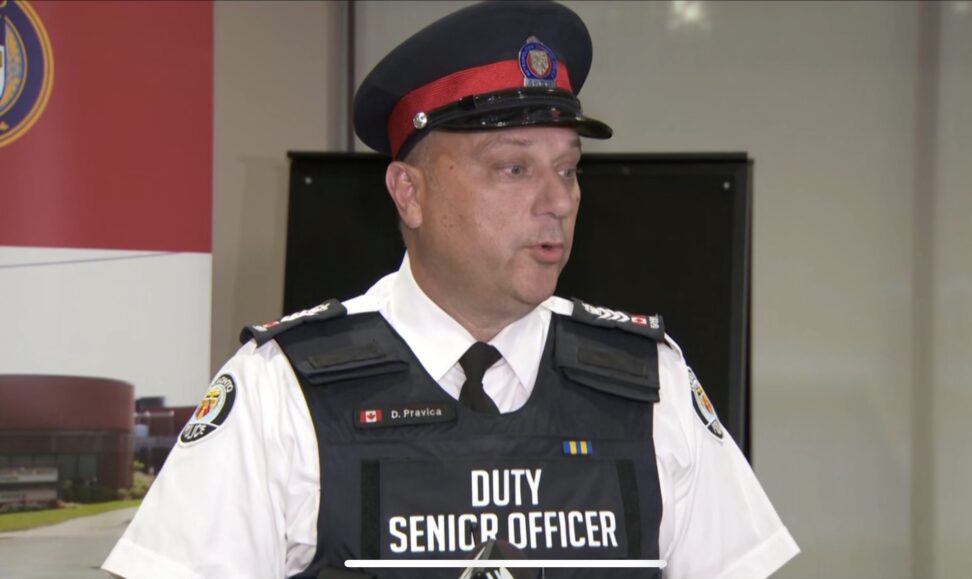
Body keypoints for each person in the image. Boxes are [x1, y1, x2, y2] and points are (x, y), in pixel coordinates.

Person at [103, 2, 799, 578]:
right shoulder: (282, 391)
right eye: (513, 169)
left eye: (567, 169)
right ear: (409, 192)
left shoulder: (649, 383)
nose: (558, 200)